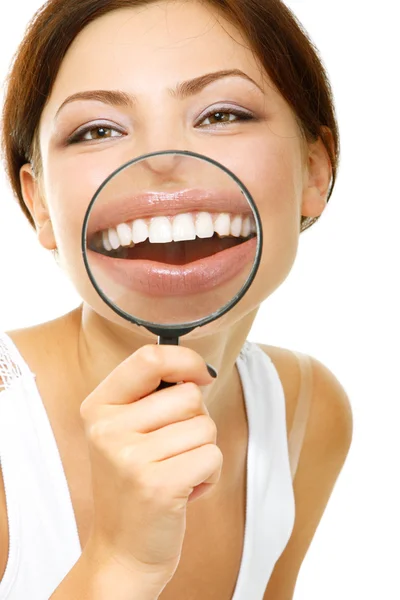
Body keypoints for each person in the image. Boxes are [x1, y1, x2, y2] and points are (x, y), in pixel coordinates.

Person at [0, 0, 353, 598]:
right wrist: (118, 563)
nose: (160, 161)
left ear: (314, 171)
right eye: (97, 129)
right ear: (38, 206)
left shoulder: (307, 411)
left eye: (221, 114)